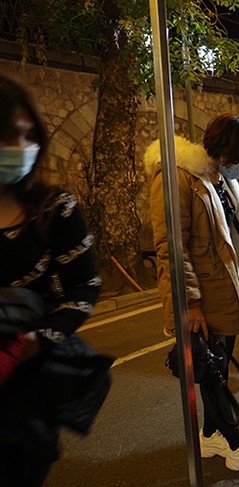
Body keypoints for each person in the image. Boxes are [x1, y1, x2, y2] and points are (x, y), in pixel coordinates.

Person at [147, 114, 239, 477]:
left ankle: (209, 434)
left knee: (215, 366)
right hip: (202, 294)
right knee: (214, 369)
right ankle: (234, 444)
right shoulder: (178, 177)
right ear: (225, 151)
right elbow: (172, 247)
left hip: (226, 288)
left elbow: (231, 234)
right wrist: (191, 304)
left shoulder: (220, 178)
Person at [0, 75, 102, 486]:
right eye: (9, 135)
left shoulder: (55, 209)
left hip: (26, 390)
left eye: (30, 137)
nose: (21, 149)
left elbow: (86, 286)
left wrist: (36, 342)